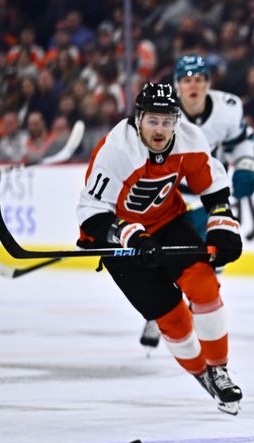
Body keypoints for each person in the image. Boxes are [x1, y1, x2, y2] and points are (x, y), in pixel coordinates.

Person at [76, 83, 244, 415]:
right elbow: (92, 213)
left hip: (166, 221)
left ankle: (220, 369)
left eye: (167, 122)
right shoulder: (116, 150)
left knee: (203, 283)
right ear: (138, 119)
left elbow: (212, 188)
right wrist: (132, 238)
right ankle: (202, 374)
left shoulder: (189, 137)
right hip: (117, 240)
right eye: (153, 121)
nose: (161, 130)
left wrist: (223, 225)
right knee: (173, 318)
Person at [139, 54, 254, 351]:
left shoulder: (227, 109)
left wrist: (245, 165)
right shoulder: (163, 113)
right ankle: (165, 306)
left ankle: (189, 306)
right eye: (186, 80)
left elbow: (242, 142)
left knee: (209, 253)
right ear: (178, 84)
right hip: (169, 193)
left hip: (208, 191)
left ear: (208, 83)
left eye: (198, 79)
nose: (192, 86)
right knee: (167, 255)